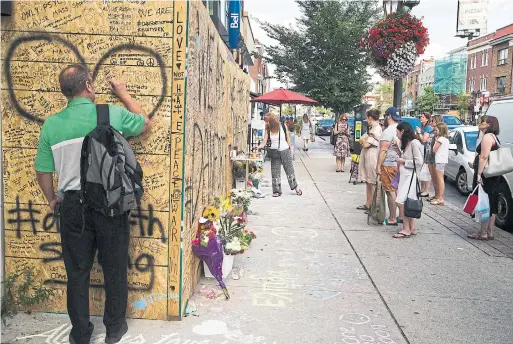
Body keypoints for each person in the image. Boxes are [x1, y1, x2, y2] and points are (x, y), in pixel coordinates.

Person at [35, 64, 149, 344]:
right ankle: (114, 329)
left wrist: (52, 199)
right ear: (88, 85)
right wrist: (123, 93)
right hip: (110, 205)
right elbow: (144, 122)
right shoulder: (108, 113)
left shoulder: (52, 124)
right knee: (114, 268)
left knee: (77, 273)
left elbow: (42, 170)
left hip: (72, 206)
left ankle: (81, 334)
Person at [469, 116, 501, 241]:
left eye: (482, 121)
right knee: (491, 202)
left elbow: (484, 157)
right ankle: (490, 231)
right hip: (493, 174)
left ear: (488, 124)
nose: (479, 123)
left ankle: (483, 232)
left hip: (486, 175)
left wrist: (478, 174)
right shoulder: (494, 137)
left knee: (484, 201)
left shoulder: (487, 137)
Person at [257, 113, 302, 197]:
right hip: (274, 152)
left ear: (272, 121)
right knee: (275, 172)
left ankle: (296, 188)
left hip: (285, 150)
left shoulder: (283, 126)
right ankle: (276, 191)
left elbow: (288, 138)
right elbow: (264, 142)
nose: (266, 123)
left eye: (267, 121)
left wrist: (290, 149)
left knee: (289, 170)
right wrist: (258, 147)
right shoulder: (268, 129)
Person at [393, 122, 424, 238]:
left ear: (402, 131)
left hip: (410, 176)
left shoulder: (414, 143)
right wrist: (399, 152)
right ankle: (412, 227)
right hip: (405, 176)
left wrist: (404, 162)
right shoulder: (406, 143)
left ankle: (406, 228)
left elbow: (419, 162)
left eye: (397, 132)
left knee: (401, 201)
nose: (397, 134)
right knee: (408, 201)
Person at [376, 107, 402, 226]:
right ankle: (401, 215)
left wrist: (378, 165)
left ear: (389, 117)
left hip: (388, 165)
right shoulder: (402, 128)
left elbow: (384, 150)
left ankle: (392, 218)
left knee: (390, 191)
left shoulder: (388, 131)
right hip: (399, 163)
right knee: (398, 191)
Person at [357, 109, 382, 210]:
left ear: (371, 118)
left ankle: (373, 204)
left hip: (372, 154)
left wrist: (363, 141)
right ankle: (368, 203)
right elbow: (361, 139)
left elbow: (366, 143)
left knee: (372, 181)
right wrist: (363, 140)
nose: (366, 120)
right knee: (368, 181)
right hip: (368, 154)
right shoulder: (372, 128)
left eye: (367, 117)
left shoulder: (376, 129)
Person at [425, 114, 444, 202]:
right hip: (429, 156)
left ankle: (439, 197)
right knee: (433, 177)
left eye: (433, 121)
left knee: (437, 178)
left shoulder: (439, 133)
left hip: (435, 157)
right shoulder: (432, 132)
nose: (431, 122)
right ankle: (436, 195)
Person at [431, 122, 450, 205]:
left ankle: (440, 198)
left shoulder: (440, 139)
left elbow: (434, 150)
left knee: (440, 179)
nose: (436, 131)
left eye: (437, 130)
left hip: (439, 160)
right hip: (443, 160)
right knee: (440, 179)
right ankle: (440, 198)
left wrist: (435, 141)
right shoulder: (446, 139)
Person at [415, 112, 433, 197]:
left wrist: (419, 133)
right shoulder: (422, 127)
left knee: (426, 171)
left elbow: (424, 140)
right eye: (421, 117)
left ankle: (426, 190)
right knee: (422, 170)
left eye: (423, 117)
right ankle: (422, 189)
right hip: (420, 149)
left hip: (426, 150)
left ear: (427, 119)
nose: (421, 118)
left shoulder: (428, 128)